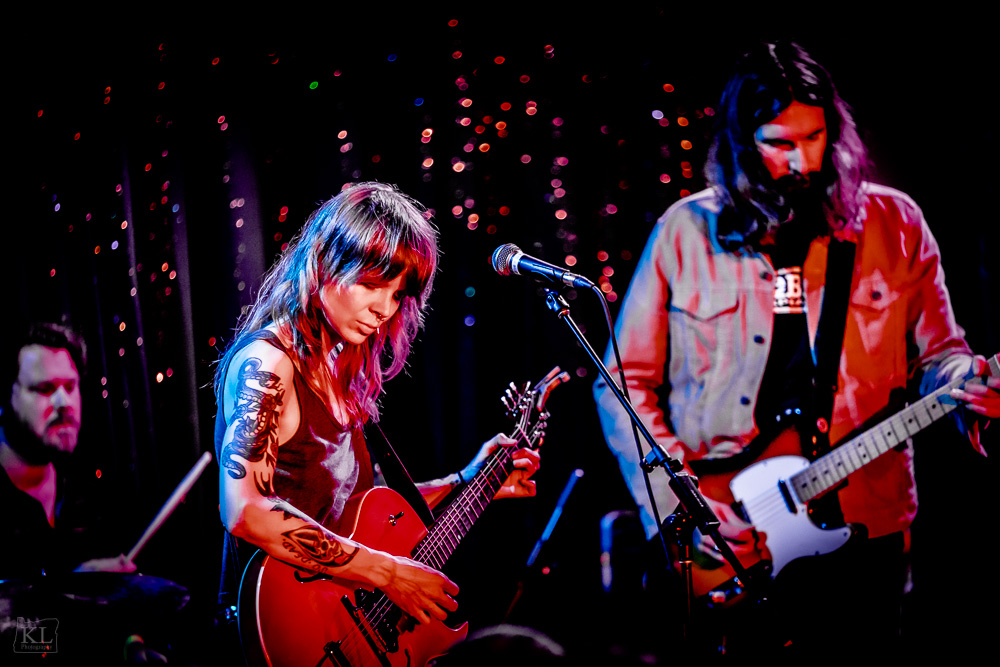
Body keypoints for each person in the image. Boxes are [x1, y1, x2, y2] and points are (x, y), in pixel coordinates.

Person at [593, 42, 999, 655]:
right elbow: (622, 385)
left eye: (814, 137)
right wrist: (683, 507)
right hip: (730, 536)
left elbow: (940, 355)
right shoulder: (684, 231)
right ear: (740, 142)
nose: (802, 161)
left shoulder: (895, 223)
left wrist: (968, 383)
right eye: (778, 143)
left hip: (867, 530)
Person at [214, 182, 540, 660]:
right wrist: (388, 573)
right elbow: (246, 510)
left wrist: (470, 481)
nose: (384, 309)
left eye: (397, 293)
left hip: (340, 618)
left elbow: (354, 514)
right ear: (322, 264)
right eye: (370, 285)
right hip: (286, 630)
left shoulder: (339, 368)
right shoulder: (267, 364)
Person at [0, 321, 135, 577]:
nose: (64, 402)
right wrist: (68, 591)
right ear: (5, 397)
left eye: (70, 387)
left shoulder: (86, 495)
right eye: (45, 388)